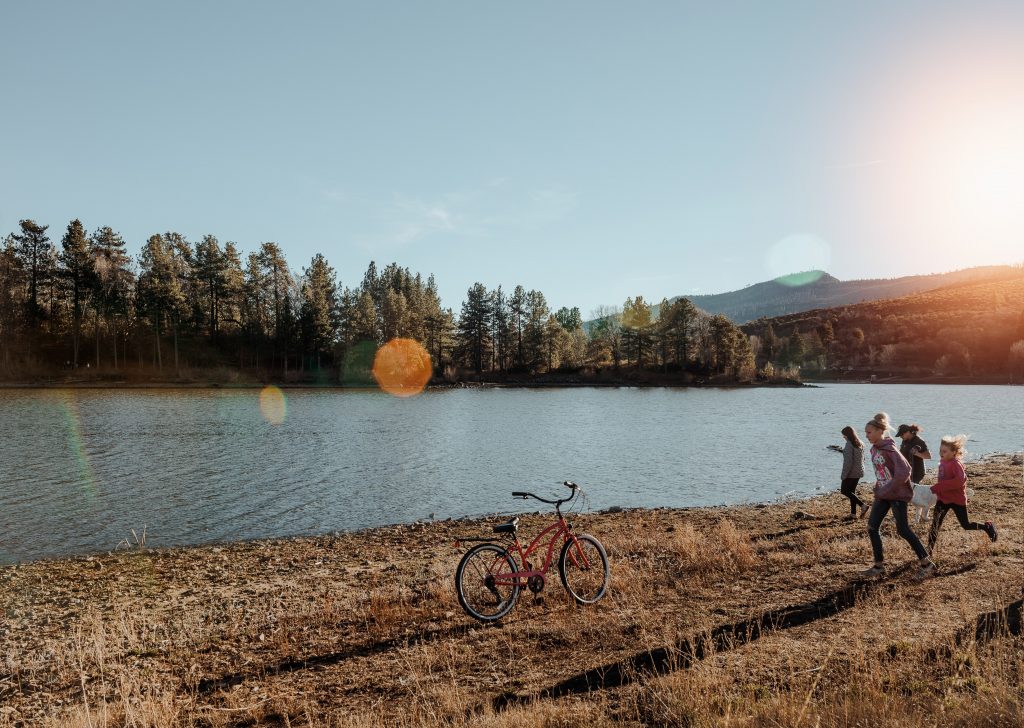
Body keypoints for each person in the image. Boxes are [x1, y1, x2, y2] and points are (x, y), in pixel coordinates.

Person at [862, 412, 936, 579]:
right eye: (865, 432)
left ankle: (927, 564)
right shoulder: (874, 449)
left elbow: (905, 471)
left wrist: (890, 487)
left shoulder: (890, 448)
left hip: (896, 495)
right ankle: (879, 567)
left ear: (880, 432)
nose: (866, 435)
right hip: (883, 495)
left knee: (903, 530)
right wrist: (879, 486)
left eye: (869, 432)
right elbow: (882, 472)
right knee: (872, 528)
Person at [926, 435, 997, 554]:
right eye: (940, 450)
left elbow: (960, 481)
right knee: (935, 525)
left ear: (954, 452)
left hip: (957, 499)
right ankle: (928, 552)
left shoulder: (955, 464)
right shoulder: (943, 461)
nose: (941, 453)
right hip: (943, 499)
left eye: (944, 451)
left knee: (966, 525)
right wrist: (939, 489)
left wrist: (938, 487)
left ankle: (987, 526)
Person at [839, 425, 868, 519]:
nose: (843, 437)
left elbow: (848, 462)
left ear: (847, 435)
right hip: (859, 471)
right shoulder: (860, 443)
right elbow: (863, 458)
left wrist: (844, 475)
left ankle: (863, 505)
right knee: (852, 492)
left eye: (844, 435)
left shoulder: (849, 444)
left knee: (844, 490)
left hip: (851, 472)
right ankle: (853, 514)